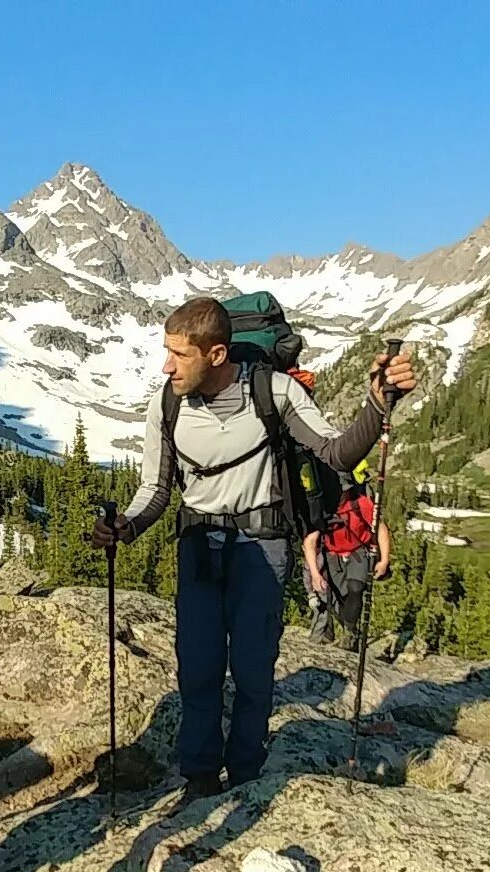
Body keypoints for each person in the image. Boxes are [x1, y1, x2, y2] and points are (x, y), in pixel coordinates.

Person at [90, 297, 417, 798]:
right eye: (166, 351)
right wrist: (125, 528)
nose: (166, 365)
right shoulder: (167, 403)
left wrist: (376, 405)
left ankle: (245, 778)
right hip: (198, 545)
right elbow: (155, 489)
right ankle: (199, 781)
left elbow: (336, 450)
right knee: (196, 668)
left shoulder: (275, 392)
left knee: (252, 669)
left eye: (178, 354)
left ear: (216, 354)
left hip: (262, 548)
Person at [304, 459, 394, 652]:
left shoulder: (360, 503)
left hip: (358, 552)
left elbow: (381, 530)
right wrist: (315, 573)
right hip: (333, 555)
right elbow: (310, 542)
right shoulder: (323, 509)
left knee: (355, 588)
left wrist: (384, 560)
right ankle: (349, 631)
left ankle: (350, 634)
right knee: (340, 599)